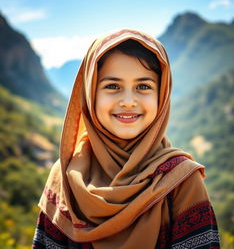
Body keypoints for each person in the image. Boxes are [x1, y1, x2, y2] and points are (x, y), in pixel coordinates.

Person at [32, 29, 220, 249]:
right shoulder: (64, 177)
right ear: (90, 94)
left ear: (162, 94)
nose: (128, 101)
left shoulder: (181, 181)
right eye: (112, 86)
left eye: (143, 86)